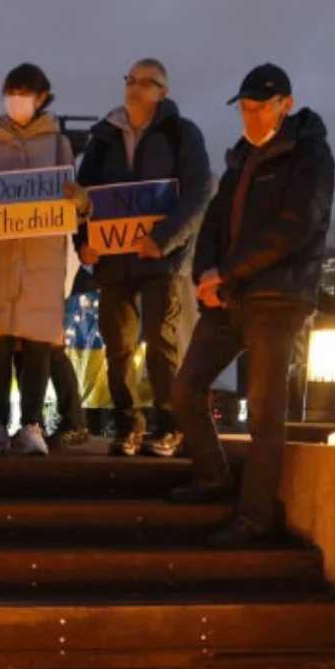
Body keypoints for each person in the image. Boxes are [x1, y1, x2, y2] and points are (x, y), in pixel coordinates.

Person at [169, 64, 334, 547]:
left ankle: (256, 518)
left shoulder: (310, 155)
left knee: (264, 411)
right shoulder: (241, 157)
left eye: (260, 107)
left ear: (286, 103)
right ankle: (213, 478)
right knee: (185, 390)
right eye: (244, 108)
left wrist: (230, 271)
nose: (251, 116)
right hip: (230, 295)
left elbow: (296, 225)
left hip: (278, 296)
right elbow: (216, 221)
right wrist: (206, 273)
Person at [70, 57, 213, 458]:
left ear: (163, 92)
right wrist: (84, 241)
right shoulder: (104, 137)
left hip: (161, 261)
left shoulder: (182, 134)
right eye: (130, 80)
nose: (135, 88)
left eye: (146, 82)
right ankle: (129, 423)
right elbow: (84, 195)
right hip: (113, 260)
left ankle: (171, 426)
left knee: (161, 341)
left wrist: (164, 240)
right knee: (117, 345)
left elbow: (199, 191)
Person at [0, 63, 75, 457]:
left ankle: (31, 425)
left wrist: (79, 201)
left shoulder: (59, 144)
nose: (17, 99)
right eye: (12, 91)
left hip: (41, 258)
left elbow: (72, 203)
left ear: (42, 97)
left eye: (25, 92)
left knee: (39, 343)